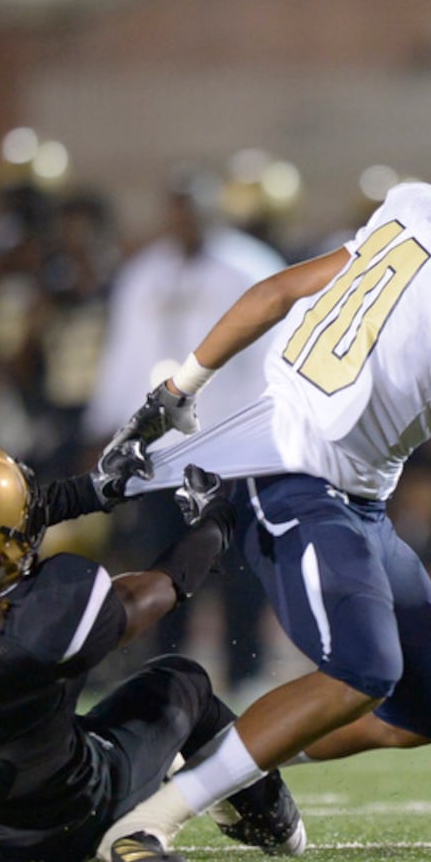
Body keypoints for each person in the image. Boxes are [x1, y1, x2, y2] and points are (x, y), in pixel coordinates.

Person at [93, 88, 431, 859]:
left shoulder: (418, 208)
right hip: (296, 477)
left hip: (352, 493)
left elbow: (275, 291)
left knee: (430, 709)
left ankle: (223, 769)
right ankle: (153, 813)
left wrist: (180, 387)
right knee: (361, 670)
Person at [0, 431, 304, 862]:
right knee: (185, 681)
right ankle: (271, 822)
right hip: (64, 818)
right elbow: (156, 591)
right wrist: (219, 521)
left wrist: (87, 491)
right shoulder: (37, 623)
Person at [84, 167, 286, 698]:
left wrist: (271, 435)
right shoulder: (144, 273)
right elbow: (125, 357)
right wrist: (108, 428)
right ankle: (165, 671)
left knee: (238, 562)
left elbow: (278, 361)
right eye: (177, 206)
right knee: (163, 561)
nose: (185, 218)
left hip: (232, 446)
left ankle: (245, 675)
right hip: (162, 451)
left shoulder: (250, 267)